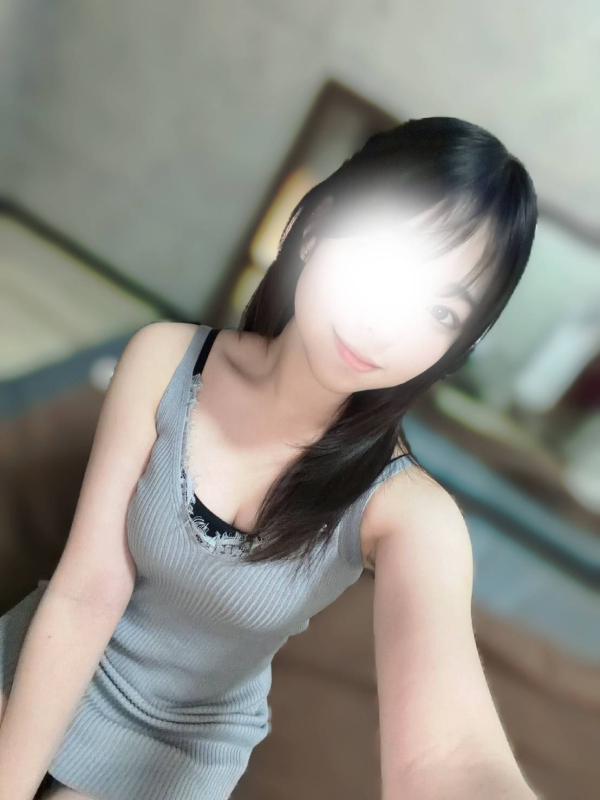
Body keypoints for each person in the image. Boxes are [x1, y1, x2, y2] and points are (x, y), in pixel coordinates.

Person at [0, 117, 539, 800]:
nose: (386, 325)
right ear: (318, 228)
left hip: (182, 742)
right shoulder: (165, 359)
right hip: (54, 654)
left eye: (441, 313)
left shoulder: (412, 514)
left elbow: (449, 757)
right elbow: (86, 594)